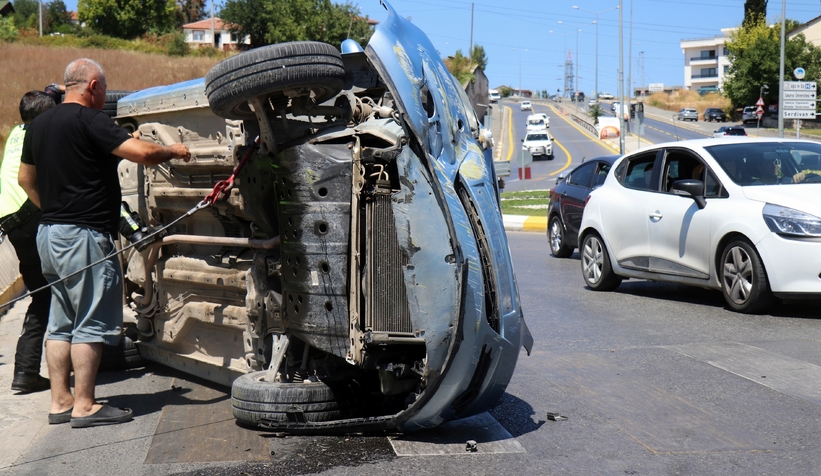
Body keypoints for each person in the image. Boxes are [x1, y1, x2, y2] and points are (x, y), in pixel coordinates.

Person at [18, 58, 191, 428]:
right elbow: (142, 154)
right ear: (93, 86)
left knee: (61, 322)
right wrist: (173, 151)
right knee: (90, 321)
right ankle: (85, 405)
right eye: (104, 89)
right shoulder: (90, 119)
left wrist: (53, 209)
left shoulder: (39, 124)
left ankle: (61, 402)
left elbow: (24, 179)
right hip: (83, 237)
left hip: (48, 235)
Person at [1, 91, 55, 394]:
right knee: (63, 288)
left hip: (10, 221)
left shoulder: (15, 133)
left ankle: (25, 370)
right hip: (30, 214)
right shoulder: (40, 135)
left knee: (41, 293)